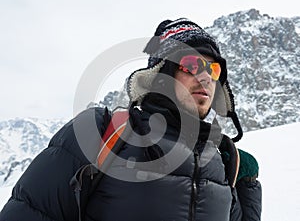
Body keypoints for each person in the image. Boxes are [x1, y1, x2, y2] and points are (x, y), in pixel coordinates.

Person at [0, 18, 262, 221]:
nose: (205, 77)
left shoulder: (219, 161)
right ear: (162, 75)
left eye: (213, 69)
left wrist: (247, 187)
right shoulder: (102, 133)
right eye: (192, 64)